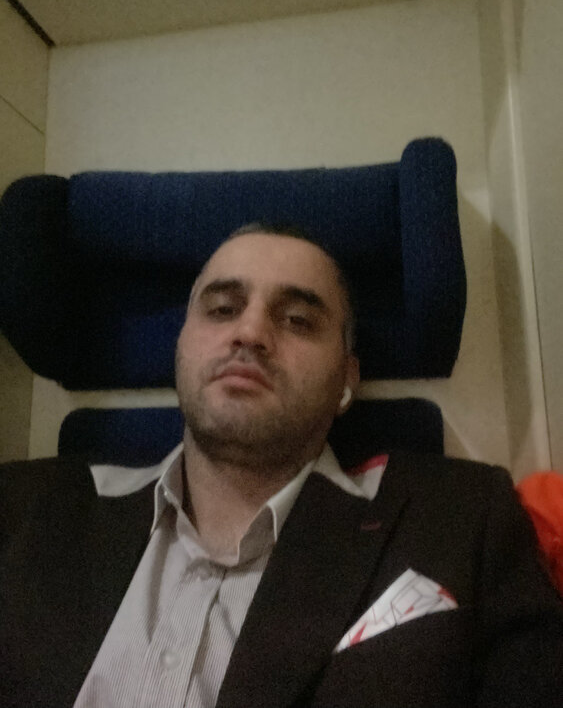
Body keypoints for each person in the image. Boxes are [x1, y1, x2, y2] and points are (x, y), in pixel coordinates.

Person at [1, 224, 563, 708]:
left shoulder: (462, 518)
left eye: (297, 320)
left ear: (347, 379)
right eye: (222, 309)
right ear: (180, 346)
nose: (249, 333)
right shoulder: (23, 506)